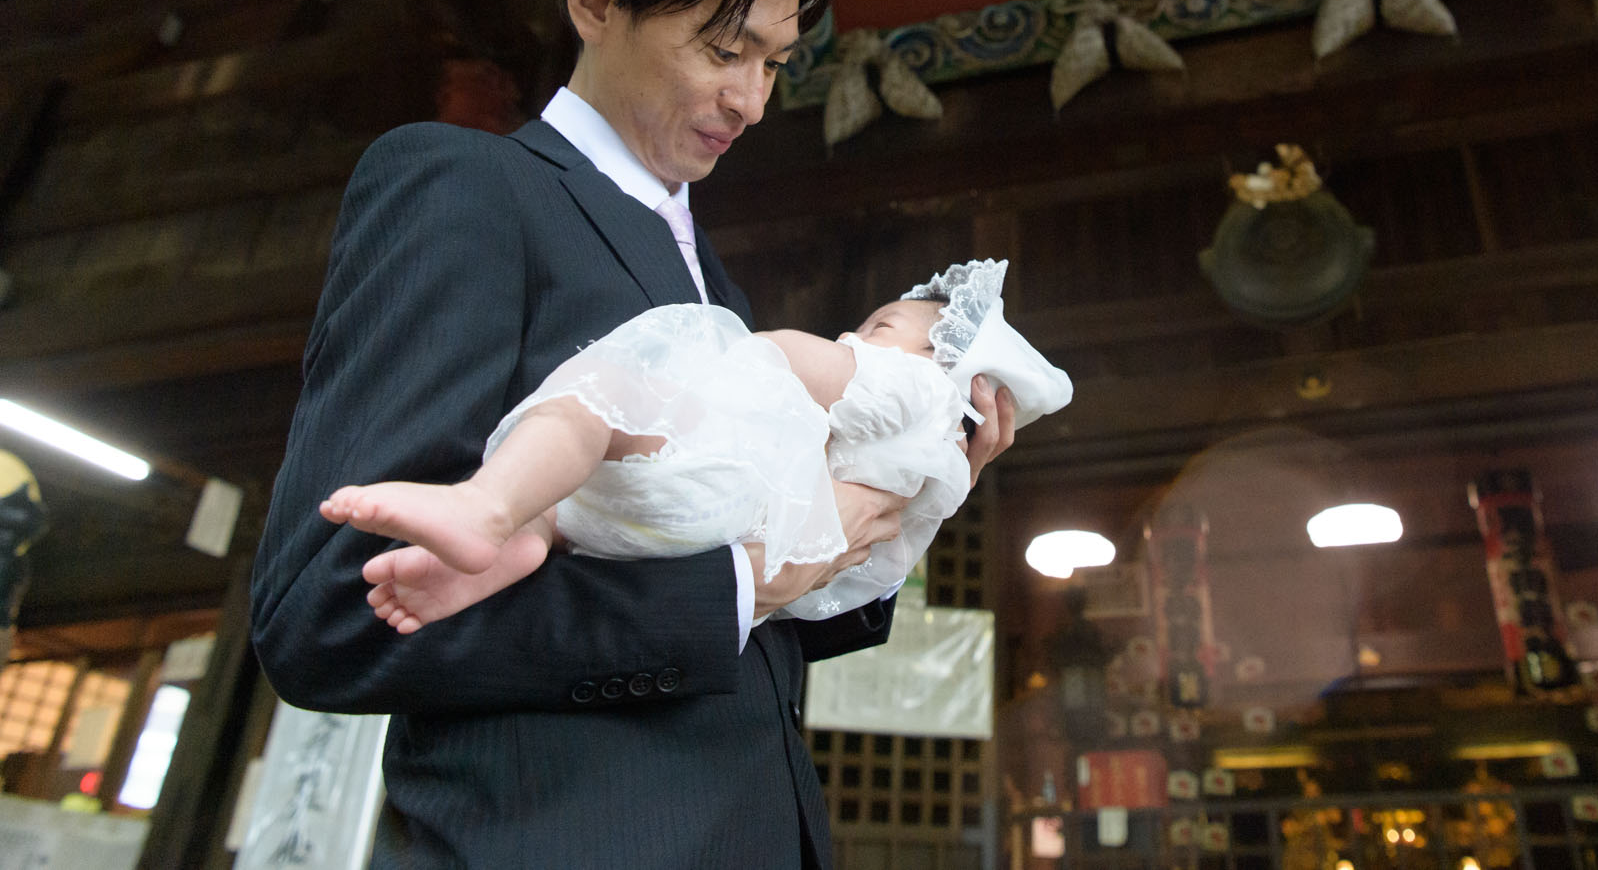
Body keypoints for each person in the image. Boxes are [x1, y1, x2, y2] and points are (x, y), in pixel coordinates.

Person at [249, 0, 1019, 870]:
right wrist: (744, 583)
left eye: (776, 62)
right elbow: (326, 612)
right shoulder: (466, 188)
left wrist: (890, 512)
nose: (749, 100)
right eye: (723, 48)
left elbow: (749, 632)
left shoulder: (726, 294)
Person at [317, 260, 1071, 631]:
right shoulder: (917, 480)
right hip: (712, 535)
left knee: (608, 392)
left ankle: (492, 506)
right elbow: (853, 581)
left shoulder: (915, 387)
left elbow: (795, 357)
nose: (854, 334)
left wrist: (773, 352)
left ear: (946, 368)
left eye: (877, 327)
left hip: (727, 484)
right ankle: (528, 539)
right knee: (594, 481)